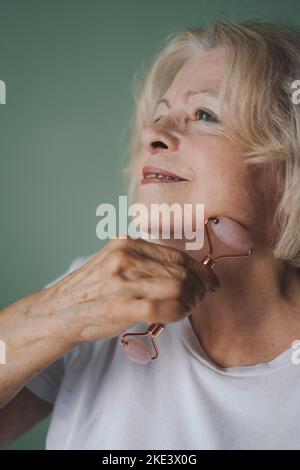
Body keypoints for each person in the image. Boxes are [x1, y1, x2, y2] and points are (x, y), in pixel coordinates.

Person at [1, 19, 300, 450]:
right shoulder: (95, 294)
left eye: (203, 114)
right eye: (158, 117)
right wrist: (59, 313)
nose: (152, 134)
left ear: (288, 167)